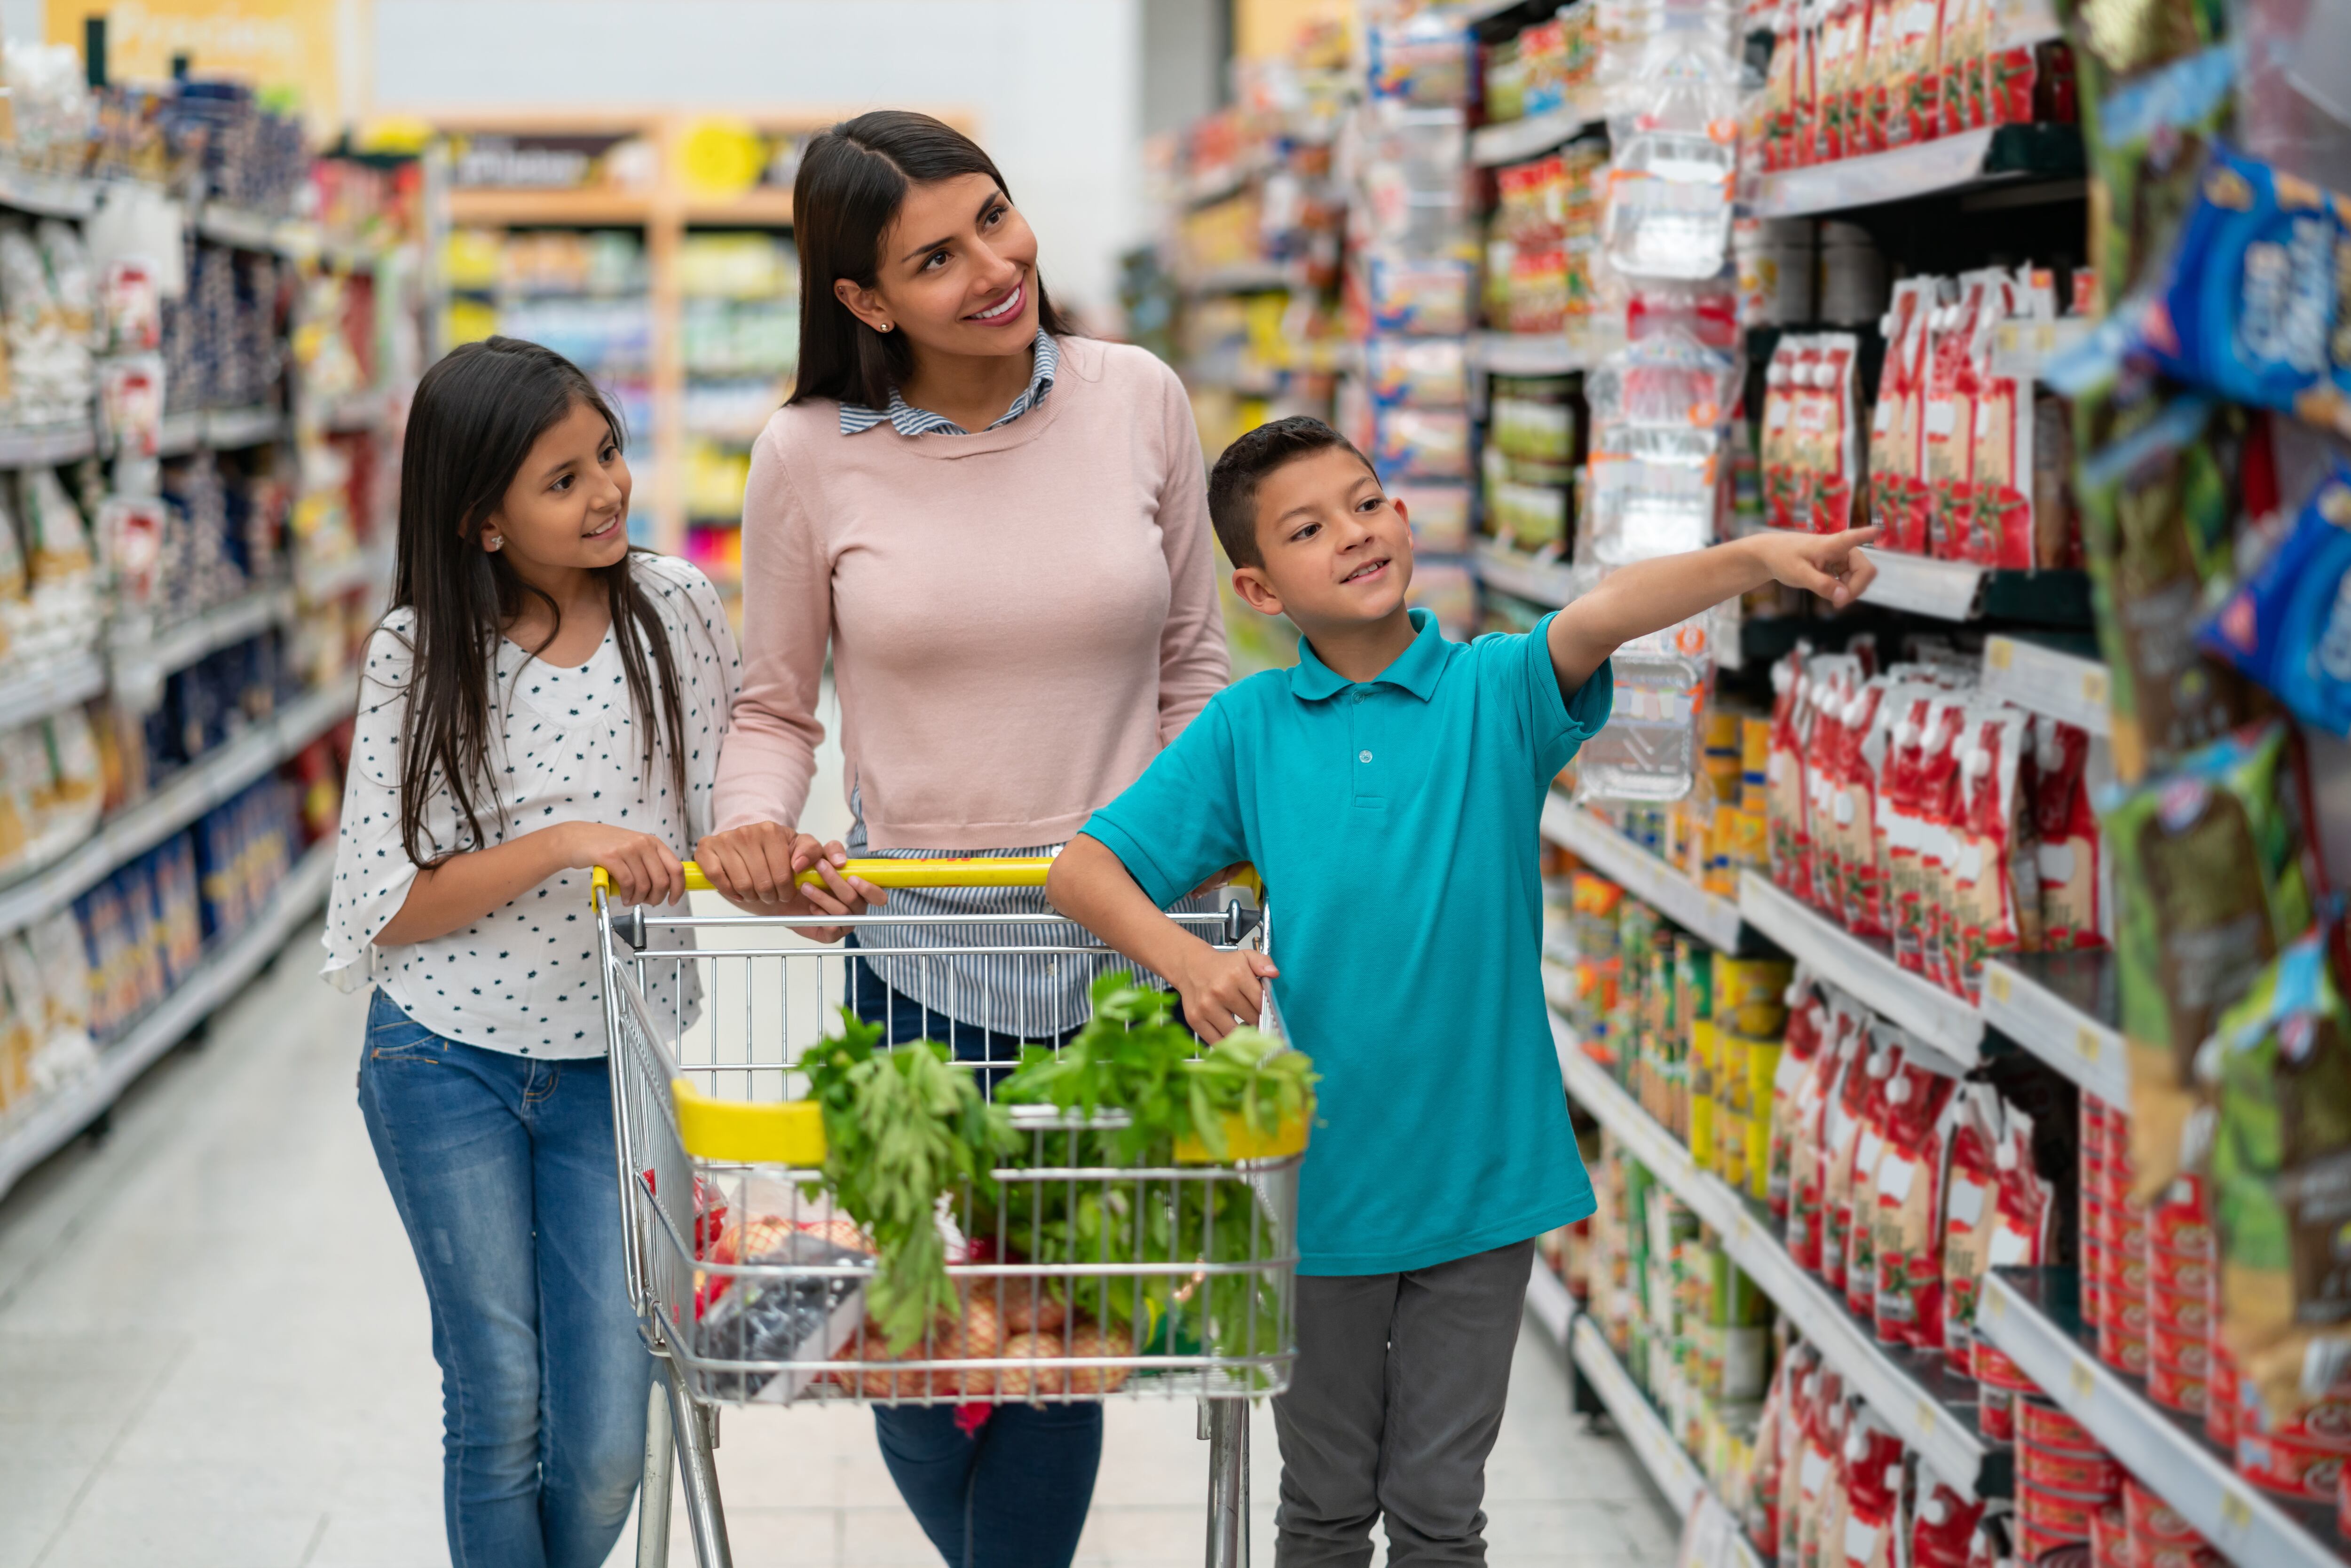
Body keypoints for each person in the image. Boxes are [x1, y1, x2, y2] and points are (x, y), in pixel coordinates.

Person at [1047, 416, 1882, 1566]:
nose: (1352, 533)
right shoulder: (1247, 729)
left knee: (1443, 1511)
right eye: (1306, 528)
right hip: (1317, 1187)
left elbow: (1605, 611)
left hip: (1481, 1178)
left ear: (1404, 514)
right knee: (1325, 1505)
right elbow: (1083, 872)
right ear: (1259, 588)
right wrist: (1187, 960)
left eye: (1365, 499)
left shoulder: (1496, 691)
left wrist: (1755, 559)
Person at [694, 111, 1227, 1568]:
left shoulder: (1139, 398)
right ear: (862, 301)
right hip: (921, 960)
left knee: (1058, 1350)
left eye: (996, 218)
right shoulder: (810, 455)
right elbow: (773, 706)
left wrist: (1200, 869)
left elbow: (1196, 671)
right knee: (924, 1356)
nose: (997, 267)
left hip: (1122, 966)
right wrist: (753, 827)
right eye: (937, 257)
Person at [321, 337, 837, 1568]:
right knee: (498, 1400)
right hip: (445, 1062)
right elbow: (385, 906)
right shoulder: (418, 651)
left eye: (606, 452)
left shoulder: (673, 607)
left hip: (619, 1062)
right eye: (562, 480)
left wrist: (810, 888)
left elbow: (723, 825)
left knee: (608, 1435)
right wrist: (564, 845)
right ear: (481, 521)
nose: (606, 488)